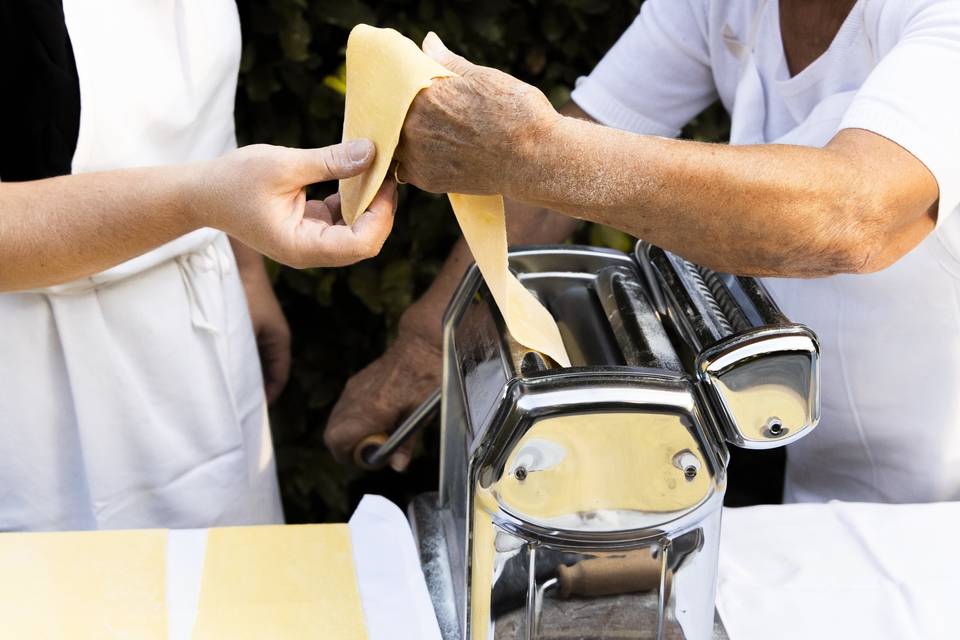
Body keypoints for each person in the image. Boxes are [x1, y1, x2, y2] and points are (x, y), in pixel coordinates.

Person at [325, 0, 960, 504]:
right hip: (828, 499)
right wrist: (423, 345)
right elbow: (582, 148)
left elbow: (854, 215)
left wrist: (532, 152)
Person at [0, 1, 395, 530]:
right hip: (31, 380)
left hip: (202, 329)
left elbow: (196, 101)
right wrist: (200, 203)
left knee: (224, 595)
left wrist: (246, 271)